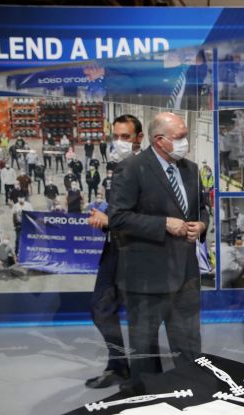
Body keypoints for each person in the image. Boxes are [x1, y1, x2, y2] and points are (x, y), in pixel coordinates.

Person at [109, 112, 208, 389]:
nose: (185, 142)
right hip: (146, 280)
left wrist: (201, 224)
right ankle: (147, 406)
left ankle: (195, 400)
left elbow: (202, 208)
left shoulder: (190, 170)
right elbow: (118, 218)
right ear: (160, 140)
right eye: (180, 138)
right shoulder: (131, 169)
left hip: (185, 277)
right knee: (145, 352)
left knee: (189, 347)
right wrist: (163, 224)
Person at [84, 114, 145, 389]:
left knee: (140, 315)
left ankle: (143, 374)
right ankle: (118, 364)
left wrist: (112, 219)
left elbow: (150, 214)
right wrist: (104, 216)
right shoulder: (114, 168)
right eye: (116, 137)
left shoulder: (149, 169)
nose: (119, 142)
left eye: (125, 137)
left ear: (138, 138)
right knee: (100, 308)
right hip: (113, 249)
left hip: (139, 251)